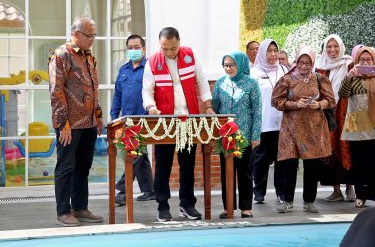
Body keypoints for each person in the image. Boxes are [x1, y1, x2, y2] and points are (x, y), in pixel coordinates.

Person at [142, 27, 215, 221]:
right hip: (164, 121)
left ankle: (187, 205)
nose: (169, 53)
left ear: (179, 42)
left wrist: (208, 106)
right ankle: (162, 206)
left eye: (173, 48)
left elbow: (202, 82)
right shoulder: (152, 62)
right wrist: (151, 108)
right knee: (163, 165)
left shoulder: (190, 56)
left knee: (187, 164)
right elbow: (147, 90)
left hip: (188, 119)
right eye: (165, 48)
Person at [48, 16, 104, 227]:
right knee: (65, 167)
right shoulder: (61, 55)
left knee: (83, 167)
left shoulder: (89, 57)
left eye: (94, 35)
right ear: (76, 34)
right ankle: (63, 212)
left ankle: (79, 208)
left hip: (88, 123)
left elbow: (93, 88)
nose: (92, 40)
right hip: (69, 125)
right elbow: (56, 90)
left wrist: (98, 115)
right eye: (89, 35)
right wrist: (62, 123)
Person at [272, 46, 336, 213]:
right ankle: (287, 201)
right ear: (296, 61)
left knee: (312, 165)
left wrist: (318, 104)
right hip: (291, 128)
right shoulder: (286, 79)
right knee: (289, 164)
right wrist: (294, 104)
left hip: (314, 128)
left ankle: (309, 201)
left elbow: (331, 100)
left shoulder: (320, 79)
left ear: (312, 62)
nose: (304, 66)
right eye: (301, 62)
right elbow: (276, 101)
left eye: (308, 63)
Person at [212, 51, 262, 219]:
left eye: (232, 65)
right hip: (225, 137)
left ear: (240, 65)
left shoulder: (251, 84)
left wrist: (256, 135)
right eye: (226, 65)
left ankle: (246, 208)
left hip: (244, 136)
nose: (228, 68)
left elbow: (257, 111)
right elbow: (215, 109)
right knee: (226, 172)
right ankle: (228, 208)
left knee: (245, 172)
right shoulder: (220, 84)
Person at [339, 46, 375, 208]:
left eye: (369, 60)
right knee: (360, 164)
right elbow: (342, 94)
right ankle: (361, 195)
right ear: (356, 61)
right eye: (362, 60)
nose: (365, 63)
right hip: (357, 127)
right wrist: (349, 75)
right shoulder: (353, 77)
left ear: (374, 61)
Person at [111, 35, 155, 206]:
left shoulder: (150, 69)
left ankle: (122, 190)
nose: (133, 50)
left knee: (133, 154)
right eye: (130, 47)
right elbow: (118, 95)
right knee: (140, 154)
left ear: (143, 49)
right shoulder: (123, 70)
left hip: (144, 120)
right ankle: (149, 190)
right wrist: (115, 118)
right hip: (126, 120)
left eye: (136, 47)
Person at [315, 34, 355, 202]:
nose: (332, 50)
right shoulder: (319, 67)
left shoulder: (349, 64)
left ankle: (351, 187)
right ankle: (336, 189)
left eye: (335, 46)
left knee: (348, 147)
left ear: (341, 47)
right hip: (326, 114)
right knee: (329, 149)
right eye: (329, 47)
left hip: (346, 112)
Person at [250, 39, 286, 204]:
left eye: (275, 51)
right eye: (269, 51)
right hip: (263, 123)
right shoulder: (254, 73)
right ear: (262, 53)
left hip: (282, 123)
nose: (272, 54)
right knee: (260, 159)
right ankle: (259, 192)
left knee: (281, 159)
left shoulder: (284, 70)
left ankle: (281, 193)